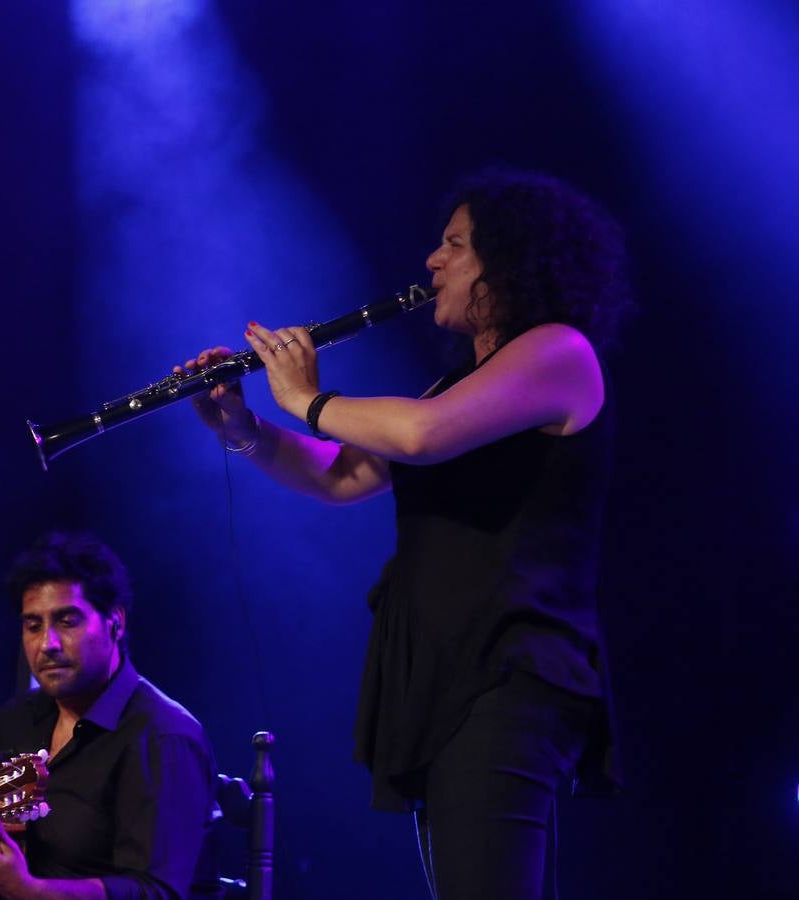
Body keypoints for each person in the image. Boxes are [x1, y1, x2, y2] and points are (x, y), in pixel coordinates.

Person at [180, 169, 631, 900]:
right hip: (443, 671)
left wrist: (304, 396)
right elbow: (341, 477)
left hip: (510, 666)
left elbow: (420, 438)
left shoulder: (559, 352)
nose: (432, 260)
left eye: (454, 244)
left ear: (510, 259)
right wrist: (245, 429)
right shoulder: (454, 386)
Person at [0, 532, 217, 900]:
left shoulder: (163, 737)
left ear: (115, 622)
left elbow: (156, 894)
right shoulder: (35, 712)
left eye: (67, 621)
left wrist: (28, 890)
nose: (48, 644)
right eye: (33, 626)